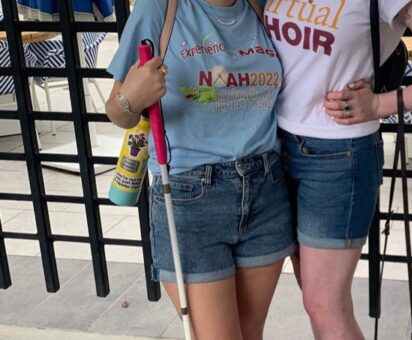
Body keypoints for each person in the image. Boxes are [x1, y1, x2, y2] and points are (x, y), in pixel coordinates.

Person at [264, 0, 412, 338]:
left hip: (337, 155)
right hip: (273, 145)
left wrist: (381, 104)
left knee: (325, 304)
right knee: (315, 299)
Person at [105, 0, 293, 339]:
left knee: (250, 333)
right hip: (191, 197)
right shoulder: (159, 10)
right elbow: (119, 111)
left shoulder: (261, 6)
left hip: (266, 188)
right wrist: (129, 99)